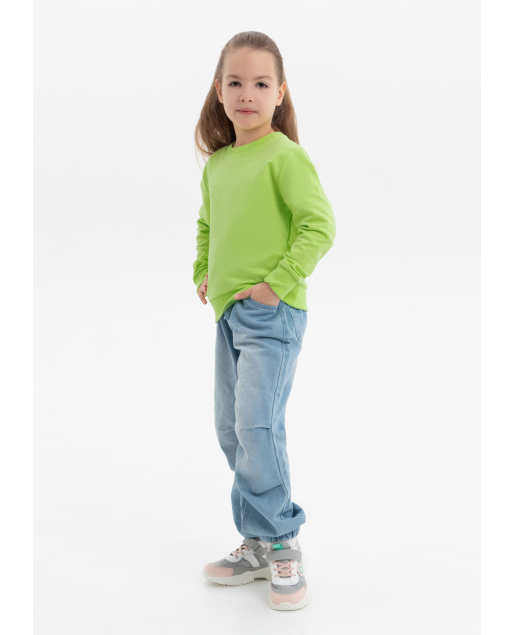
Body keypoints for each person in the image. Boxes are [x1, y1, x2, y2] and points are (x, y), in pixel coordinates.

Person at [191, 31, 336, 612]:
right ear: (219, 91)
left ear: (280, 93)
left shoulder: (285, 157)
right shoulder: (219, 164)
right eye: (235, 82)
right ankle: (256, 541)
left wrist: (276, 284)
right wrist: (204, 270)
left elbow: (319, 226)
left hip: (272, 314)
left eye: (260, 83)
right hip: (230, 313)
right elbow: (208, 225)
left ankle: (283, 541)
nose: (246, 93)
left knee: (258, 426)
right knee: (231, 429)